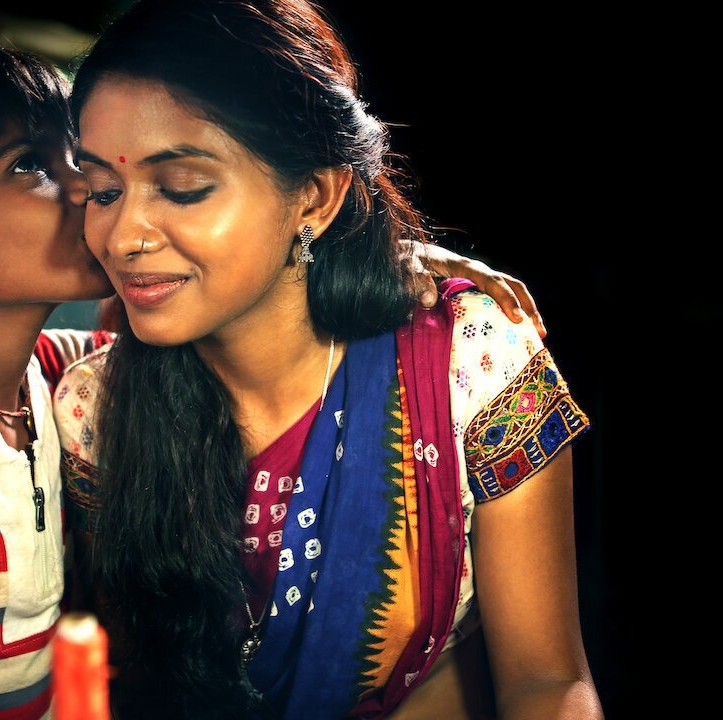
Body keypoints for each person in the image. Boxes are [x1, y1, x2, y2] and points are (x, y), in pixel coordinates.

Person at [0, 39, 543, 720]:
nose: (88, 195)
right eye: (32, 168)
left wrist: (395, 260)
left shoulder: (51, 382)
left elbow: (237, 308)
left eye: (74, 163)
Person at [54, 2, 602, 719]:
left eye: (183, 188)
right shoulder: (94, 410)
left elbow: (546, 681)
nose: (123, 236)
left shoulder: (467, 360)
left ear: (314, 196)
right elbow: (131, 678)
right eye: (102, 191)